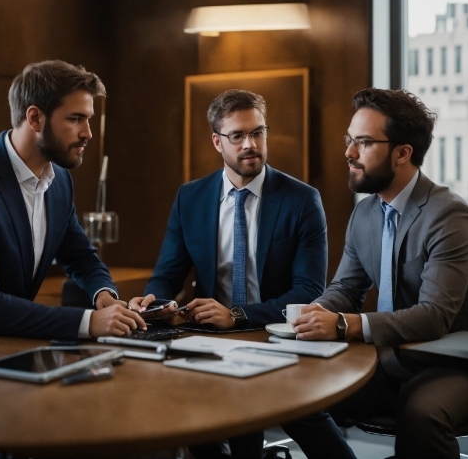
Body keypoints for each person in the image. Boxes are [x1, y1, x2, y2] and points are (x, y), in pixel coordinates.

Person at [282, 88, 468, 459]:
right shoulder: (366, 213)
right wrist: (316, 314)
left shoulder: (449, 216)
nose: (349, 153)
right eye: (349, 140)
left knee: (422, 413)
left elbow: (434, 318)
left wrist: (344, 325)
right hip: (389, 358)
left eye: (364, 143)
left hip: (453, 362)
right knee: (293, 393)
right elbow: (346, 287)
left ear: (403, 153)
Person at [141, 89, 328, 459]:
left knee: (314, 429)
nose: (250, 144)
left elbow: (308, 290)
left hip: (276, 335)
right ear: (217, 141)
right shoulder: (190, 198)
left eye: (257, 133)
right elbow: (167, 276)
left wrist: (238, 316)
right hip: (209, 338)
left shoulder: (302, 200)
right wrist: (153, 303)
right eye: (237, 136)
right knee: (188, 418)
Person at [0, 60, 146, 340]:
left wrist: (103, 293)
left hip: (11, 341)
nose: (87, 133)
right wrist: (89, 322)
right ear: (35, 118)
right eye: (75, 118)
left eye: (88, 119)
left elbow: (81, 258)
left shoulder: (59, 181)